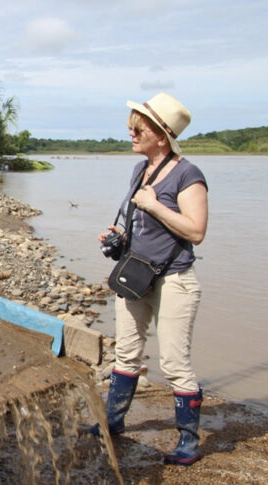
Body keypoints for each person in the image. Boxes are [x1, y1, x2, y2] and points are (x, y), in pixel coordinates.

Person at [96, 92, 208, 466]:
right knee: (126, 352)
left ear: (162, 133)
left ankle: (188, 443)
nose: (130, 133)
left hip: (174, 279)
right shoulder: (139, 170)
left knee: (175, 362)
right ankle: (112, 423)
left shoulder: (188, 174)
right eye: (131, 126)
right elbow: (142, 223)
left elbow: (196, 231)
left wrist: (154, 204)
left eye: (137, 127)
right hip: (137, 274)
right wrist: (120, 236)